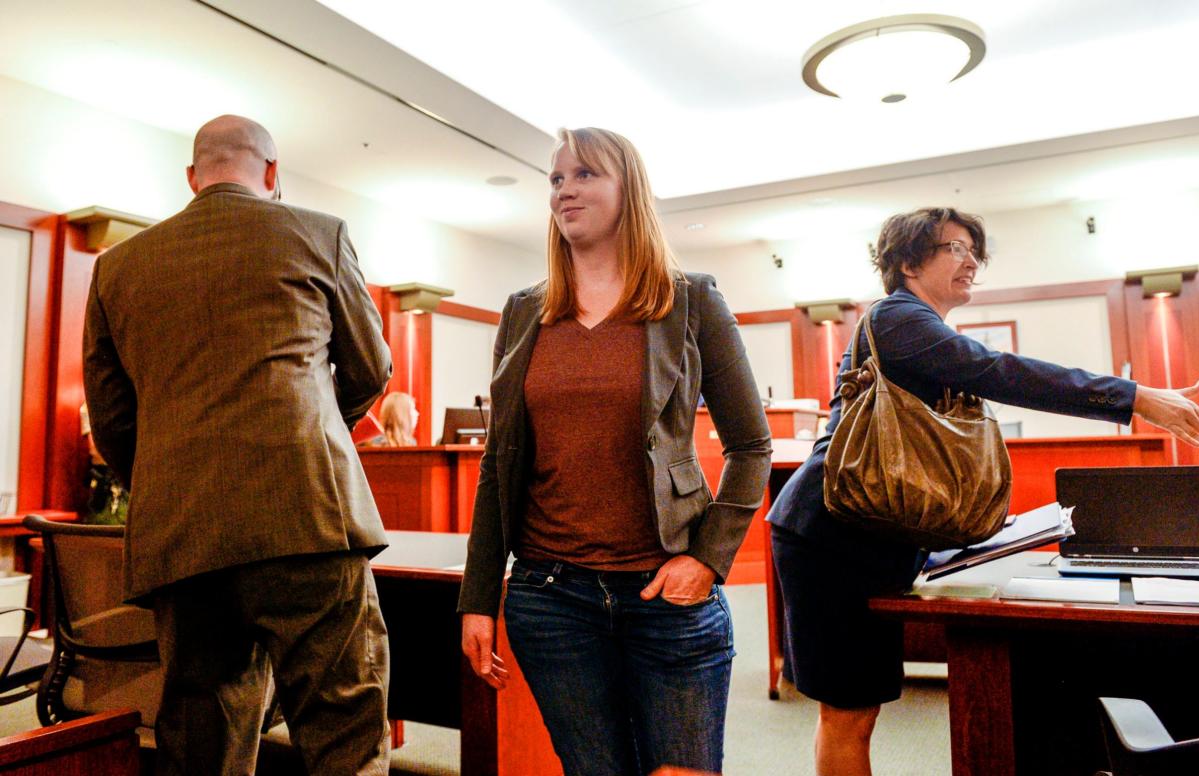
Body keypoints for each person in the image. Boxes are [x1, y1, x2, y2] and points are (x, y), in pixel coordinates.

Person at [767, 206, 1199, 776]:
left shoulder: (920, 325)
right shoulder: (897, 317)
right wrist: (1136, 396)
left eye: (975, 251)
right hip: (830, 534)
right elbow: (1001, 370)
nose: (972, 262)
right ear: (909, 261)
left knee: (857, 709)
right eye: (955, 249)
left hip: (872, 531)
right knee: (849, 713)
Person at [83, 115, 392, 775]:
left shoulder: (118, 266)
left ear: (193, 178)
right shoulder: (318, 234)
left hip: (181, 533)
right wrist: (302, 433)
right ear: (272, 174)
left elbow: (111, 419)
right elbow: (372, 369)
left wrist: (173, 473)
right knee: (343, 733)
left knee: (200, 742)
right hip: (309, 520)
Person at [458, 127, 771, 776]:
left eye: (585, 174)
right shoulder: (524, 312)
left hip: (667, 590)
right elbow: (499, 464)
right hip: (551, 597)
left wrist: (709, 562)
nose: (566, 190)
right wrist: (478, 598)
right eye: (556, 179)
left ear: (629, 187)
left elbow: (750, 445)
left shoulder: (689, 300)